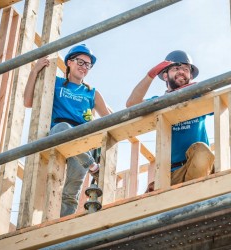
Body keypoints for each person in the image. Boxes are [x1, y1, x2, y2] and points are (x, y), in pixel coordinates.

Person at [24, 44, 112, 217]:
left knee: (71, 194)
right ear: (69, 62)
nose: (84, 67)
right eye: (80, 62)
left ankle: (64, 229)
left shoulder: (91, 93)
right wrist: (34, 72)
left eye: (88, 65)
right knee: (63, 128)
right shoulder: (55, 83)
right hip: (59, 133)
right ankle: (92, 165)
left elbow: (112, 120)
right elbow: (28, 102)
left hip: (82, 142)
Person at [126, 50, 214, 191]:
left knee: (202, 151)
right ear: (165, 75)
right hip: (169, 174)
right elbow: (131, 104)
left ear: (191, 75)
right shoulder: (159, 102)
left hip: (198, 167)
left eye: (186, 69)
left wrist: (201, 90)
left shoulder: (197, 96)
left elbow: (220, 101)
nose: (181, 72)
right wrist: (151, 74)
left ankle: (194, 198)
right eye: (176, 68)